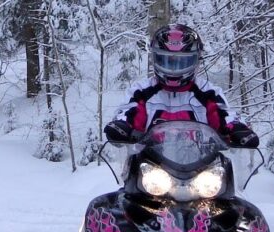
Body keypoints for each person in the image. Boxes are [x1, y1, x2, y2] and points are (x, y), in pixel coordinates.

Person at [104, 24, 259, 148]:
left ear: (196, 60)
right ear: (155, 58)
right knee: (129, 187)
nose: (173, 69)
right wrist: (121, 126)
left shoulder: (208, 92)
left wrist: (237, 128)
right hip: (150, 165)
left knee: (226, 184)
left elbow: (225, 114)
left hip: (201, 166)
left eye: (182, 62)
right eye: (167, 61)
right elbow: (128, 112)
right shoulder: (141, 91)